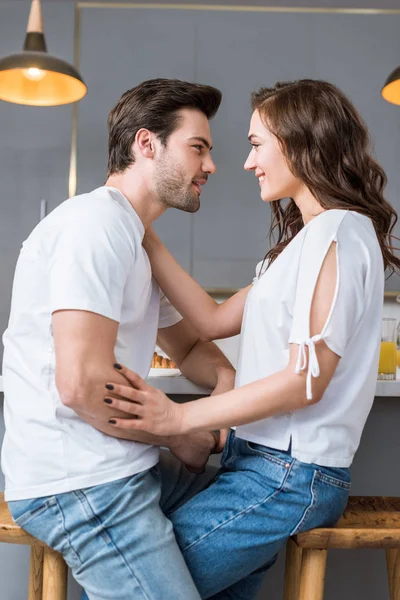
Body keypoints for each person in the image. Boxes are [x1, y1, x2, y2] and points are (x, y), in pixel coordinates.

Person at [104, 79, 400, 600]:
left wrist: (179, 418)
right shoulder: (299, 247)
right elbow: (212, 320)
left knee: (125, 591)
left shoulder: (342, 233)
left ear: (300, 141)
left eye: (257, 143)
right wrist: (137, 222)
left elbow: (304, 382)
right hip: (257, 464)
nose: (246, 162)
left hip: (287, 476)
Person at [2, 78, 236, 600]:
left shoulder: (135, 239)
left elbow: (193, 348)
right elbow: (80, 383)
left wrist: (224, 383)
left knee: (256, 507)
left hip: (129, 462)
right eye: (198, 148)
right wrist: (180, 432)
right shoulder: (95, 225)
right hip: (80, 479)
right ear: (146, 144)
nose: (211, 166)